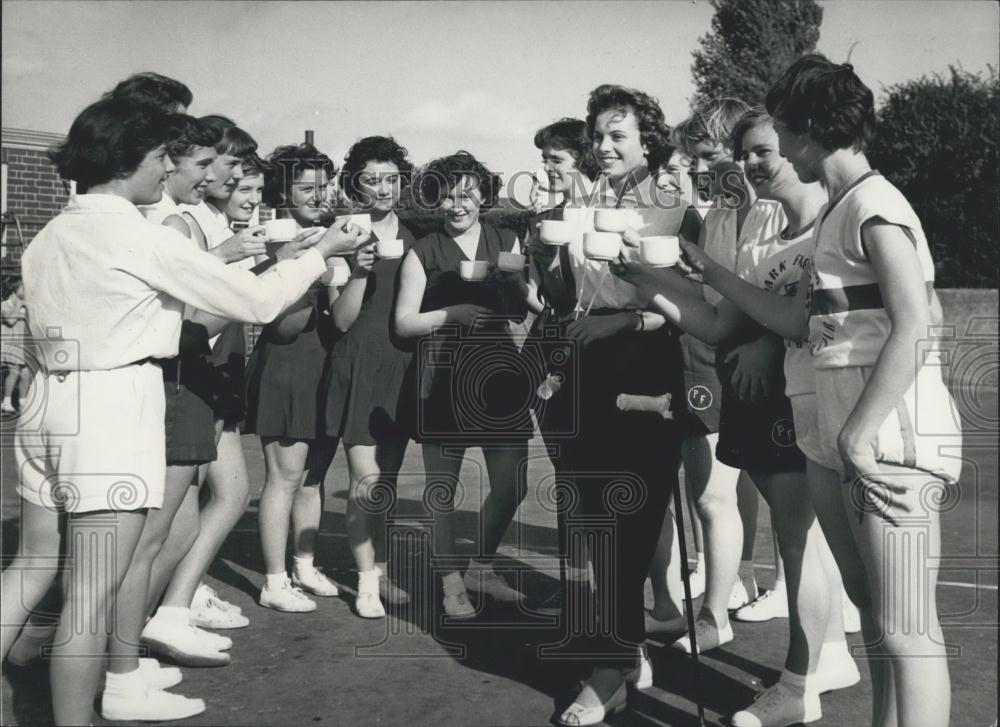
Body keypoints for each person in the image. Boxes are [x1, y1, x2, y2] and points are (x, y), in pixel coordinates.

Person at [0, 95, 365, 725]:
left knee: (30, 570)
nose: (172, 170)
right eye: (164, 157)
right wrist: (320, 252)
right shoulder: (133, 233)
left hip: (46, 403)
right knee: (90, 596)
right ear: (134, 159)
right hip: (110, 411)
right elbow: (254, 303)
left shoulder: (57, 229)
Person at [614, 108, 861, 727]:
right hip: (766, 391)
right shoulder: (743, 222)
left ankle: (803, 679)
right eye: (726, 155)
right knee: (794, 535)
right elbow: (727, 316)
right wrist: (647, 281)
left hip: (807, 392)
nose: (733, 166)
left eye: (755, 152)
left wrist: (766, 342)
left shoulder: (824, 214)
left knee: (807, 544)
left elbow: (822, 314)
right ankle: (815, 664)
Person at [763, 55, 960, 727]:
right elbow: (805, 323)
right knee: (876, 613)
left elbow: (914, 323)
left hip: (891, 439)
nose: (780, 144)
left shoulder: (876, 204)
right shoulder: (835, 211)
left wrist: (858, 434)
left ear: (810, 129)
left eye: (783, 128)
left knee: (910, 629)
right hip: (844, 434)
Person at [550, 84, 700, 727]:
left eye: (619, 136)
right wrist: (546, 253)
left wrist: (626, 324)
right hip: (586, 361)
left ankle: (610, 669)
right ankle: (625, 648)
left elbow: (694, 302)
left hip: (648, 360)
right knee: (591, 511)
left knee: (626, 515)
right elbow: (567, 294)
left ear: (647, 140)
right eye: (599, 136)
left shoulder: (675, 202)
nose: (604, 147)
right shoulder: (584, 197)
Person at [394, 150, 533, 618]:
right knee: (442, 491)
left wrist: (511, 281)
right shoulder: (423, 250)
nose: (457, 204)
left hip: (498, 373)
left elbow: (522, 309)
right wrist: (452, 314)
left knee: (513, 485)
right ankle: (451, 580)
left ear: (483, 196)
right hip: (442, 373)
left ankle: (482, 565)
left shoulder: (507, 238)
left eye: (467, 193)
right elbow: (403, 324)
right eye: (447, 194)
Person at [154, 118, 266, 632]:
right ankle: (165, 610)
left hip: (215, 371)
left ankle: (178, 599)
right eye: (229, 164)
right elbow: (195, 317)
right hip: (189, 374)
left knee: (222, 495)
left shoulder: (206, 219)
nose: (235, 176)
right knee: (175, 513)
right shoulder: (179, 220)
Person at [246, 142, 354, 613]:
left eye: (322, 186)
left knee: (314, 477)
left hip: (325, 363)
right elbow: (285, 326)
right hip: (289, 364)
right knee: (284, 477)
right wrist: (313, 274)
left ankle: (304, 565)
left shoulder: (328, 234)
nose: (318, 195)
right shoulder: (276, 239)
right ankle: (274, 581)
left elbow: (343, 314)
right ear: (284, 191)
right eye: (306, 187)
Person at [324, 136, 417, 617]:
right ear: (354, 183)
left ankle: (379, 571)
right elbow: (339, 320)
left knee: (388, 481)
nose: (382, 189)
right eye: (371, 180)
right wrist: (358, 272)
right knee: (367, 480)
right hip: (359, 360)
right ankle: (363, 581)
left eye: (391, 179)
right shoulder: (341, 232)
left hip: (401, 364)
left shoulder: (417, 233)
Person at [1, 280, 31, 414]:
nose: (26, 290)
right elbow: (11, 320)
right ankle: (6, 402)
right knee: (14, 372)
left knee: (26, 375)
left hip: (23, 345)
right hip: (9, 344)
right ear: (15, 289)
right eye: (22, 288)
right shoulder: (5, 305)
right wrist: (19, 306)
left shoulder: (27, 307)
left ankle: (22, 403)